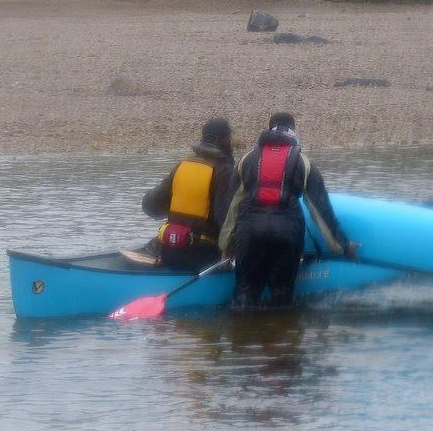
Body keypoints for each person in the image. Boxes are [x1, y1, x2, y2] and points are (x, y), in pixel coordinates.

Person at [219, 112, 355, 309]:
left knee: (244, 296)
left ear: (269, 129)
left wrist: (226, 244)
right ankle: (281, 333)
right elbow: (321, 211)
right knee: (281, 298)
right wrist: (342, 246)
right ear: (293, 132)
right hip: (287, 231)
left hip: (250, 231)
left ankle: (241, 334)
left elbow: (232, 206)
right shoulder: (303, 162)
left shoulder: (247, 160)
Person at [142, 117, 239, 270]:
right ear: (226, 141)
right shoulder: (225, 171)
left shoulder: (182, 165)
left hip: (169, 251)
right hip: (202, 257)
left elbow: (151, 206)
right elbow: (226, 221)